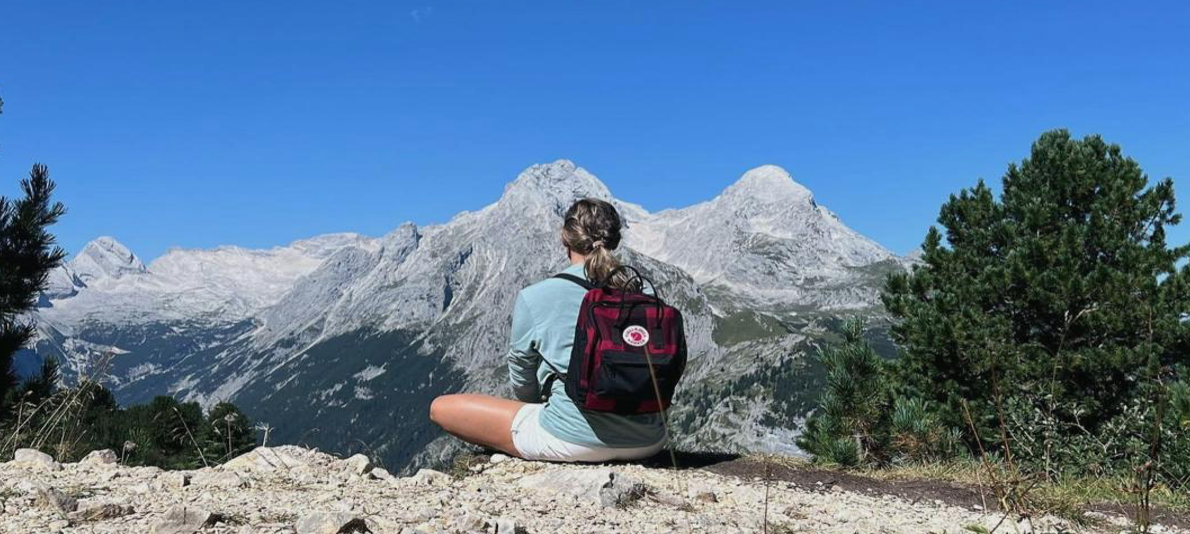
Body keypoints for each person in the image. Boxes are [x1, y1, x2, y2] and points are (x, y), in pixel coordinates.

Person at [429, 198, 667, 462]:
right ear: (615, 241)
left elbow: (522, 377)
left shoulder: (537, 296)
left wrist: (536, 403)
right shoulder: (644, 292)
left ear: (564, 238)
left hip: (571, 440)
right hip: (650, 440)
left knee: (440, 407)